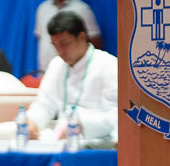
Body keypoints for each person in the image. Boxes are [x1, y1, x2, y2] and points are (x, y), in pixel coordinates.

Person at [26, 11, 117, 146]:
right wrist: (31, 121)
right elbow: (44, 105)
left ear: (81, 37)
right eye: (55, 45)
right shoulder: (56, 64)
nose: (59, 51)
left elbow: (116, 117)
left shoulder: (108, 64)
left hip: (96, 140)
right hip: (61, 138)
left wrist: (82, 125)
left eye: (64, 44)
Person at [34, 0, 101, 71]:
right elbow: (41, 39)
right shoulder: (42, 8)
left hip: (73, 73)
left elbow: (95, 43)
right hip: (45, 72)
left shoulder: (82, 9)